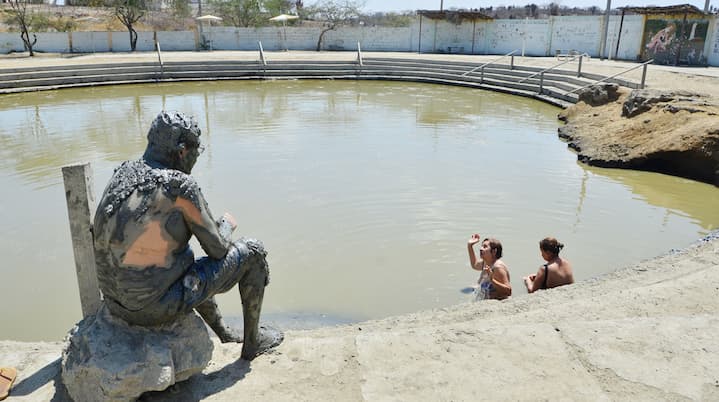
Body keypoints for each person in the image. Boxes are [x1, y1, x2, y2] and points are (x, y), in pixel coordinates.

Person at [93, 111, 282, 360]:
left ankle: (223, 331)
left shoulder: (122, 173)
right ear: (182, 151)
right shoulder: (179, 186)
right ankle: (252, 343)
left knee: (183, 256)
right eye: (196, 151)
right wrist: (225, 225)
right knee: (254, 251)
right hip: (152, 309)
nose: (195, 158)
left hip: (115, 305)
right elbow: (218, 250)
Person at [467, 234, 512, 300]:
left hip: (499, 303)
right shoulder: (485, 262)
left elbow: (508, 291)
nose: (480, 249)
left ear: (494, 251)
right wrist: (470, 246)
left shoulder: (498, 267)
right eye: (481, 246)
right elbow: (475, 265)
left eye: (485, 247)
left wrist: (492, 280)